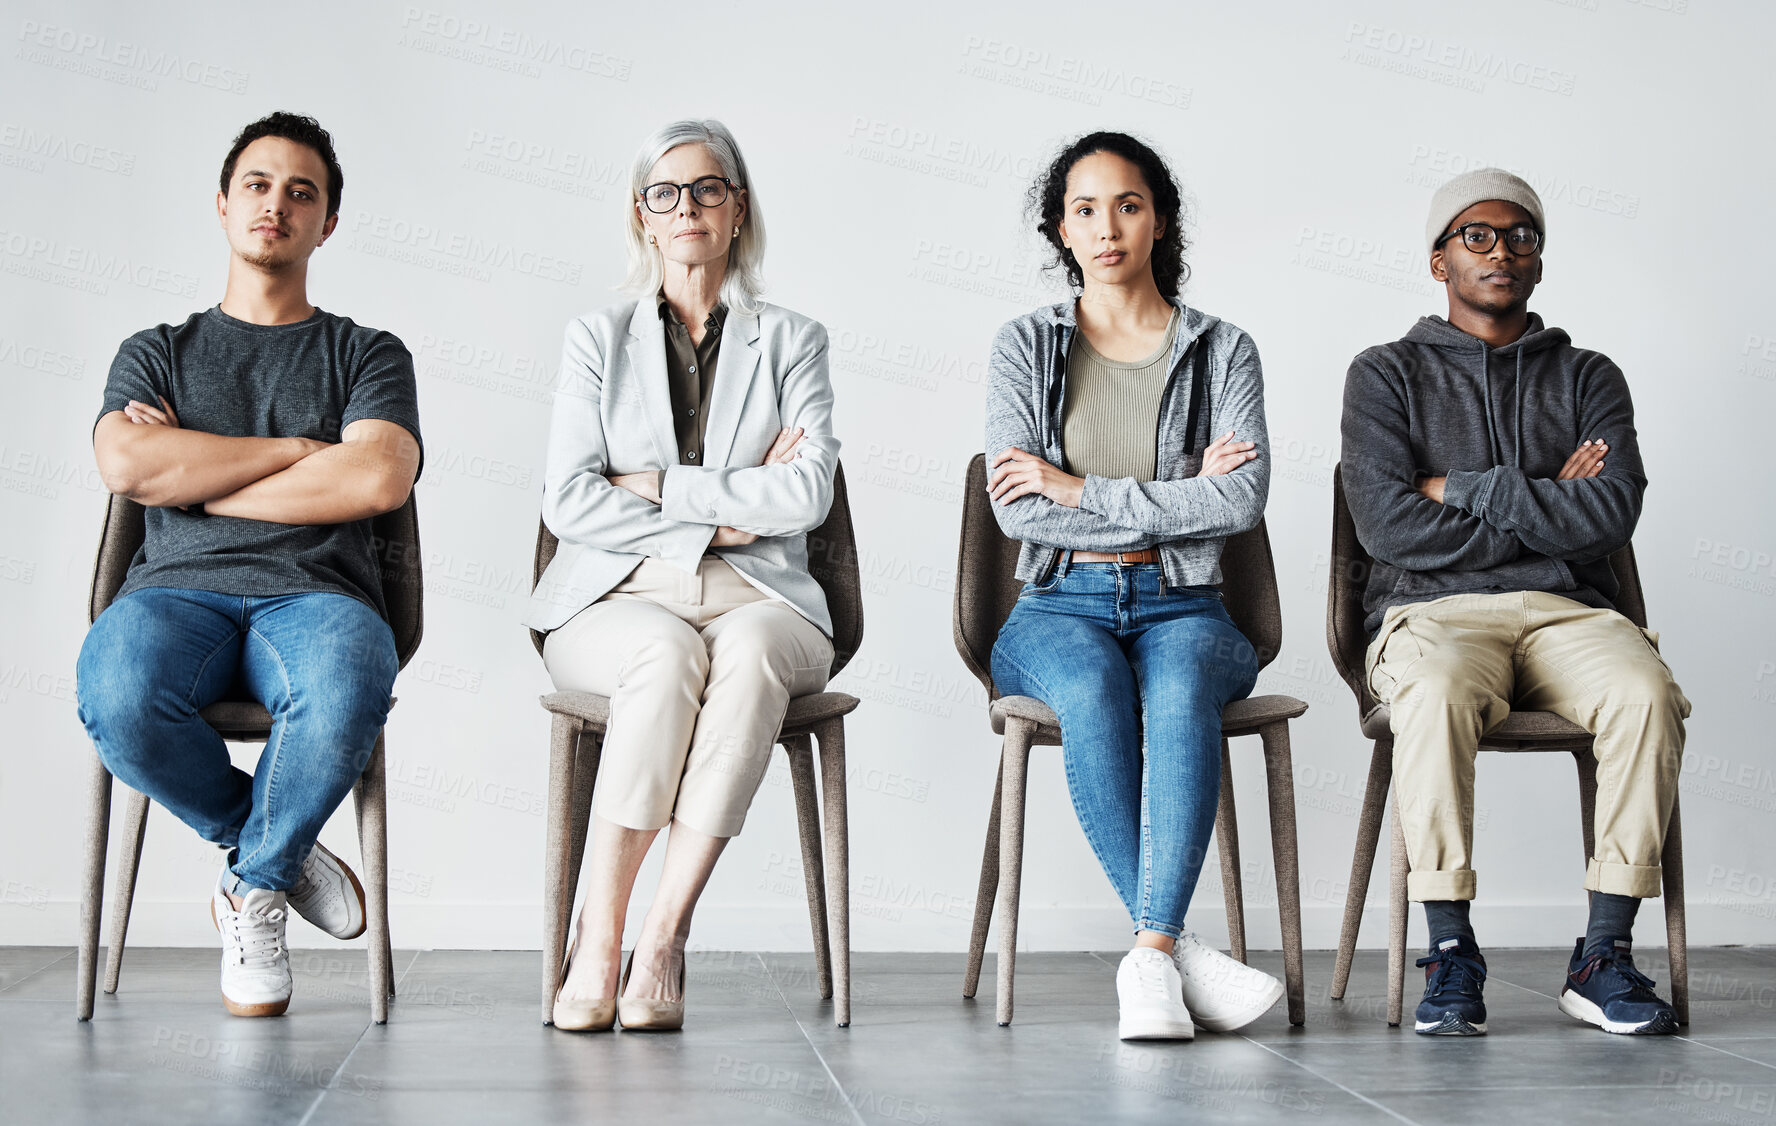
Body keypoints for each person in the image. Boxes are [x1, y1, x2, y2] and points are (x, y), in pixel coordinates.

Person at [76, 112, 423, 1018]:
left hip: (317, 597)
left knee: (350, 681)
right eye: (259, 185)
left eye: (301, 192)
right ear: (224, 205)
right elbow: (128, 467)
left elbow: (379, 473)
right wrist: (295, 452)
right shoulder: (157, 350)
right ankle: (275, 852)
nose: (278, 204)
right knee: (115, 690)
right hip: (174, 594)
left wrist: (198, 475)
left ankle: (255, 889)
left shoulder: (367, 353)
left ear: (327, 225)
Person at [1341, 168, 1690, 1036]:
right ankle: (1452, 952)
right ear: (1438, 260)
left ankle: (1604, 952)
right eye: (1479, 236)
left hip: (1572, 615)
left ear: (1540, 260)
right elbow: (1388, 530)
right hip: (1433, 617)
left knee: (1647, 695)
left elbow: (1610, 513)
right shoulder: (1385, 375)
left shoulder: (1588, 377)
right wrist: (1544, 505)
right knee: (1436, 694)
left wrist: (1460, 487)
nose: (1503, 251)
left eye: (1521, 237)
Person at [528, 119, 839, 1032]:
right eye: (666, 193)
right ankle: (599, 937)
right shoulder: (597, 338)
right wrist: (722, 516)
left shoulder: (794, 339)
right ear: (643, 218)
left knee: (745, 657)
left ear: (737, 210)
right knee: (662, 658)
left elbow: (809, 491)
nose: (688, 207)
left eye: (708, 189)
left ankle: (662, 936)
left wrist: (662, 485)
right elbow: (569, 502)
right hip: (617, 595)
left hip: (768, 596)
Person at [985, 131, 1283, 1041]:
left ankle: (1150, 955)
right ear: (1061, 230)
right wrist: (1174, 497)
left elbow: (1239, 499)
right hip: (1055, 603)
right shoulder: (1025, 346)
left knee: (1183, 684)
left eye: (1128, 205)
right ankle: (1172, 953)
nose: (1107, 226)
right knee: (1090, 687)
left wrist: (1078, 488)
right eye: (1085, 208)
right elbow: (1017, 513)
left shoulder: (1224, 350)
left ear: (1159, 220)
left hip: (1186, 602)